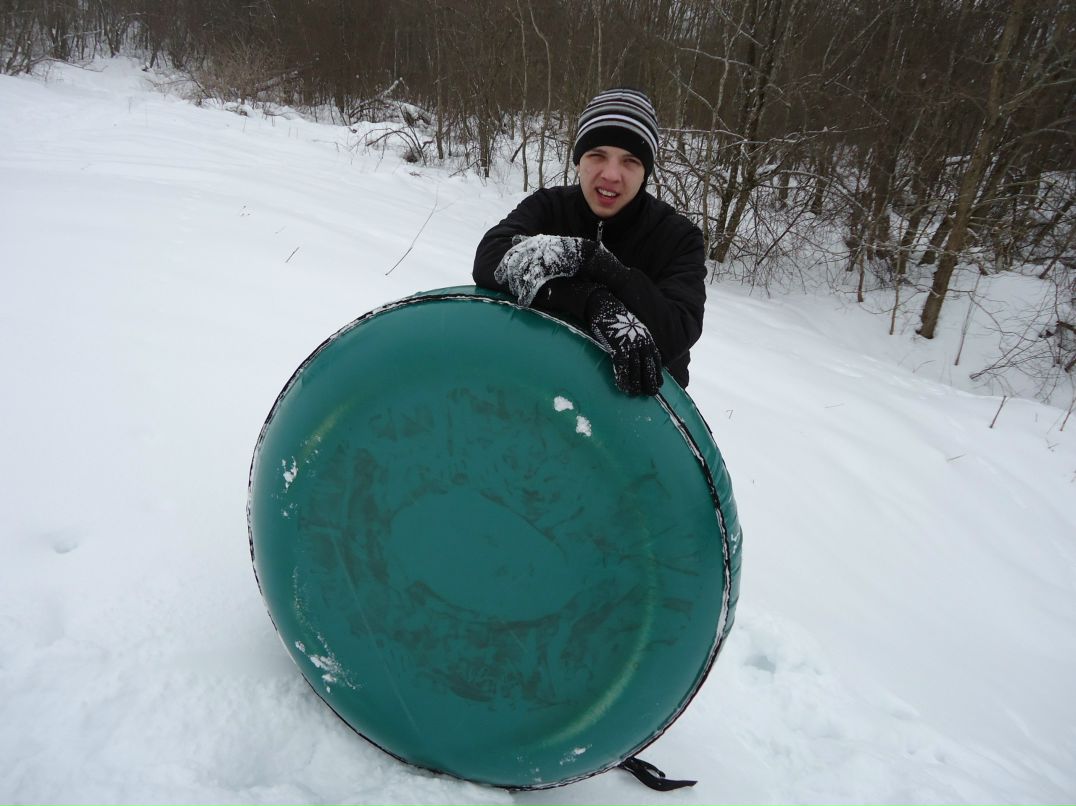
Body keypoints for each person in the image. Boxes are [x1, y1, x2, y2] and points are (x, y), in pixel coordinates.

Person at [472, 87, 706, 396]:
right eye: (597, 155)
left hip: (637, 405)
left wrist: (603, 267)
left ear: (645, 171)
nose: (611, 174)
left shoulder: (678, 237)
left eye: (630, 161)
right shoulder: (548, 206)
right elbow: (491, 260)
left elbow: (675, 332)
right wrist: (589, 300)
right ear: (578, 160)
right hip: (543, 384)